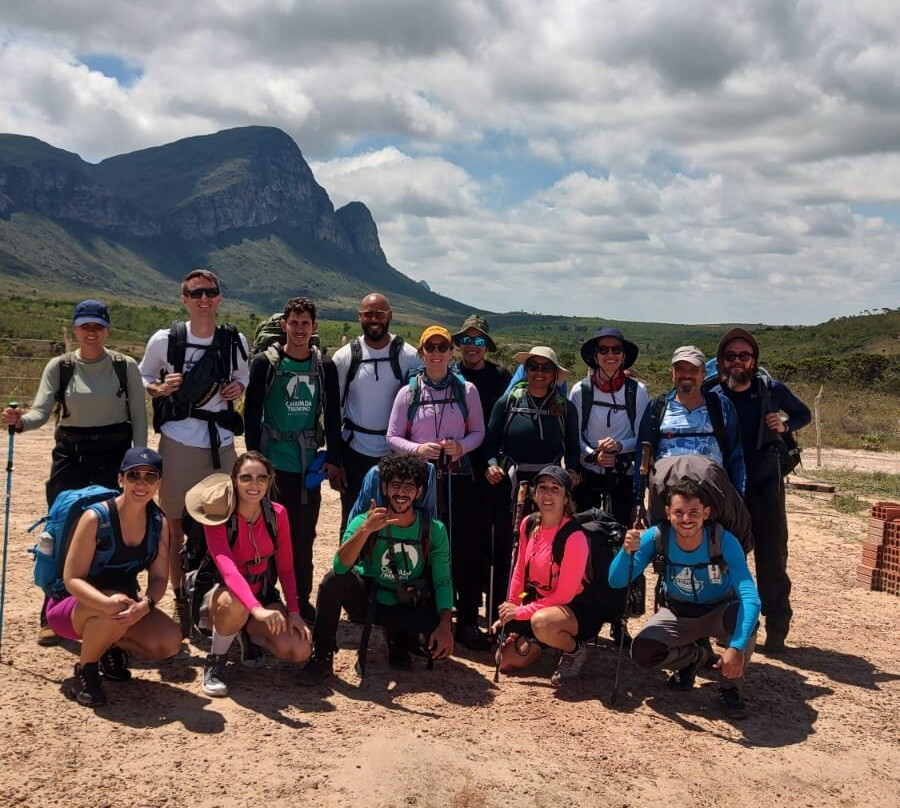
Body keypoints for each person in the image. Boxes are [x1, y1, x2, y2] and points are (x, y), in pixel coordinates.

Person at [1, 299, 147, 646]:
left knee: (117, 529)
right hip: (72, 454)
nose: (91, 331)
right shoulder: (60, 366)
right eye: (85, 325)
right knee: (61, 530)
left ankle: (121, 604)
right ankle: (52, 612)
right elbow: (40, 412)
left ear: (107, 329)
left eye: (98, 325)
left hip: (116, 455)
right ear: (76, 328)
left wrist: (137, 465)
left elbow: (140, 418)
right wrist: (21, 423)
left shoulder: (125, 367)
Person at [138, 269, 249, 633]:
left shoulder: (235, 340)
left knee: (222, 520)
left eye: (210, 292)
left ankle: (210, 592)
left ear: (219, 297)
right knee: (173, 524)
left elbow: (243, 376)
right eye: (196, 293)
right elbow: (143, 378)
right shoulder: (165, 339)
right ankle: (178, 595)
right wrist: (159, 388)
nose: (204, 299)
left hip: (220, 443)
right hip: (178, 440)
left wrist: (236, 388)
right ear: (184, 298)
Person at [609, 479, 761, 719]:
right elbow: (616, 580)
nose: (686, 519)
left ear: (706, 513)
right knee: (643, 651)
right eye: (678, 512)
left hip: (720, 610)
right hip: (678, 612)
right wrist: (626, 552)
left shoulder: (723, 540)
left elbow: (751, 598)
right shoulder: (657, 536)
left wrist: (736, 647)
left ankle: (731, 687)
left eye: (694, 512)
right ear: (668, 512)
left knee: (744, 620)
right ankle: (694, 658)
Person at [297, 454, 454, 684]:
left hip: (407, 602)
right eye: (395, 485)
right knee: (332, 581)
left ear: (419, 492)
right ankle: (321, 656)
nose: (401, 493)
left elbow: (442, 581)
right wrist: (366, 530)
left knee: (434, 641)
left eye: (409, 487)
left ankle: (399, 639)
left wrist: (445, 625)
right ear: (384, 487)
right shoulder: (365, 520)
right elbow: (340, 567)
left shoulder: (434, 529)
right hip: (369, 599)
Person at [44, 447, 181, 707]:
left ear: (159, 483)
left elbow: (160, 578)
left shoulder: (157, 522)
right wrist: (106, 603)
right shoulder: (96, 517)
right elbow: (72, 579)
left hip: (122, 605)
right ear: (120, 479)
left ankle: (108, 647)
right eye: (134, 476)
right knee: (114, 606)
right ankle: (86, 671)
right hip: (70, 607)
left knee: (168, 641)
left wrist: (146, 605)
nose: (142, 483)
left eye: (150, 477)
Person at [244, 297, 343, 625]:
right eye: (294, 323)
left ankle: (300, 601)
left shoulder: (324, 368)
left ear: (314, 328)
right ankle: (265, 596)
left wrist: (334, 460)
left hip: (304, 469)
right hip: (271, 468)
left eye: (305, 324)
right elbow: (251, 415)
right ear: (284, 325)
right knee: (265, 535)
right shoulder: (264, 364)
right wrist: (253, 464)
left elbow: (332, 416)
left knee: (303, 538)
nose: (299, 329)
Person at [386, 326, 487, 649]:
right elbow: (392, 436)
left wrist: (462, 447)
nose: (437, 352)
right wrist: (418, 450)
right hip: (422, 481)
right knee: (423, 545)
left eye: (442, 346)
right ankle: (422, 618)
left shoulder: (467, 390)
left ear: (451, 352)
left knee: (462, 546)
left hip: (459, 479)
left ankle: (467, 618)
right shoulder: (408, 392)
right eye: (430, 346)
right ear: (421, 352)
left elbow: (479, 432)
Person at [714, 328, 811, 653]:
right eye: (731, 356)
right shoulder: (712, 391)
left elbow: (803, 414)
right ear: (721, 360)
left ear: (754, 359)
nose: (737, 361)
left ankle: (777, 628)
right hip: (725, 488)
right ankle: (726, 622)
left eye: (744, 355)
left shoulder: (770, 389)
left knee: (771, 557)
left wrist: (785, 424)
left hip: (765, 484)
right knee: (724, 557)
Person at [185, 452, 312, 698]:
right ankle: (216, 661)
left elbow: (286, 568)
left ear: (270, 480)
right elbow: (228, 570)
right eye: (246, 478)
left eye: (261, 478)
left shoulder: (277, 514)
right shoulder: (218, 514)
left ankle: (246, 634)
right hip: (221, 596)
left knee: (299, 650)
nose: (254, 485)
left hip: (260, 594)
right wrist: (257, 609)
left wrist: (294, 612)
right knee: (235, 605)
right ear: (234, 480)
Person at [483, 346, 581, 616]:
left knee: (544, 550)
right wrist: (491, 465)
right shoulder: (509, 402)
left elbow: (573, 447)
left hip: (548, 487)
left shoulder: (565, 408)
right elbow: (490, 444)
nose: (539, 373)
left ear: (554, 374)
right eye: (533, 367)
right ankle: (499, 615)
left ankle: (535, 614)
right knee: (506, 548)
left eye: (545, 368)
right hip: (511, 486)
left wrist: (572, 471)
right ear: (525, 371)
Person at [492, 466, 602, 687]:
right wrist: (509, 609)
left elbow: (563, 595)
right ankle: (549, 641)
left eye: (555, 489)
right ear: (534, 493)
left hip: (575, 609)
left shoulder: (574, 536)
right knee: (503, 660)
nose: (548, 494)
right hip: (540, 604)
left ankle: (574, 650)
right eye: (542, 487)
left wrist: (519, 613)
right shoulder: (529, 524)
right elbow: (520, 571)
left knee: (541, 623)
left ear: (566, 498)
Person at [330, 292, 420, 534]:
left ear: (389, 316)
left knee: (396, 520)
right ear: (360, 317)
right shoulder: (345, 357)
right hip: (354, 452)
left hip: (396, 453)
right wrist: (335, 461)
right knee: (353, 518)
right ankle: (347, 572)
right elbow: (332, 411)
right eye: (368, 314)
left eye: (380, 314)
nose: (374, 319)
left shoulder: (409, 356)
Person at [451, 314, 512, 625]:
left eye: (478, 341)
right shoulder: (449, 374)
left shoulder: (502, 377)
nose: (471, 347)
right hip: (458, 470)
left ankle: (493, 613)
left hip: (491, 471)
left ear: (486, 346)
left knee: (494, 543)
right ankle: (463, 609)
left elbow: (506, 426)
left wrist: (496, 463)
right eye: (466, 340)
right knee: (462, 541)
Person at [637, 345, 745, 494]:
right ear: (672, 373)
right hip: (667, 496)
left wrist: (738, 495)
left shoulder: (721, 406)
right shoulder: (657, 407)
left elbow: (736, 455)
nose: (686, 375)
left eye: (693, 370)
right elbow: (642, 452)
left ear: (703, 374)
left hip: (712, 494)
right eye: (680, 369)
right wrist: (638, 499)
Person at [570, 327, 649, 525]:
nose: (610, 355)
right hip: (587, 474)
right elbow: (574, 435)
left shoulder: (637, 391)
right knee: (586, 532)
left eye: (616, 350)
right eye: (603, 350)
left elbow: (641, 438)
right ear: (595, 356)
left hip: (623, 474)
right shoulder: (581, 391)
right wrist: (594, 453)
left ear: (623, 356)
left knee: (621, 531)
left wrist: (619, 446)